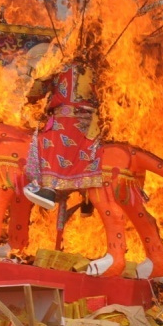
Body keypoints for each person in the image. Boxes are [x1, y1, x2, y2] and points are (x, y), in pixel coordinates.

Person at [22, 41, 103, 209]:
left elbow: (37, 91)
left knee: (49, 139)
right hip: (91, 121)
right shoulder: (97, 71)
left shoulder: (60, 67)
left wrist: (38, 75)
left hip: (67, 120)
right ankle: (86, 198)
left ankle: (49, 189)